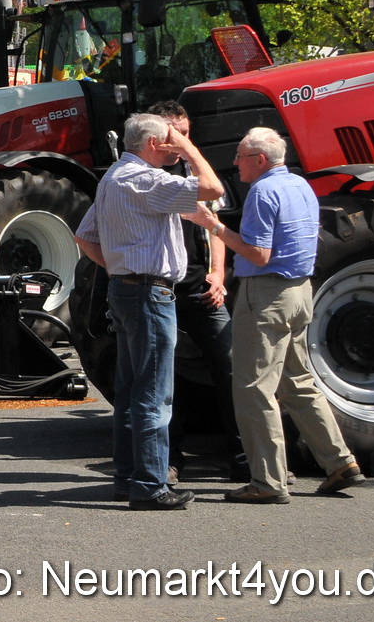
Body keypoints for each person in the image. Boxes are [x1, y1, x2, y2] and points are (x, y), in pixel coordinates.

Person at [199, 127, 363, 504]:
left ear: (259, 159)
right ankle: (340, 462)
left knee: (254, 389)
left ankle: (268, 482)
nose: (235, 162)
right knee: (298, 381)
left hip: (267, 295)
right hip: (300, 292)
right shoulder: (300, 186)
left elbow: (259, 255)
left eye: (240, 156)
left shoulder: (262, 191)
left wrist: (215, 227)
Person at [73, 112, 224, 510]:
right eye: (170, 140)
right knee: (155, 392)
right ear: (155, 144)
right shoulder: (146, 179)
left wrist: (122, 267)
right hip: (149, 293)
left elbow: (85, 237)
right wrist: (190, 148)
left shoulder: (113, 178)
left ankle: (128, 477)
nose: (176, 146)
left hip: (127, 290)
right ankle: (151, 483)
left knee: (131, 389)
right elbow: (211, 187)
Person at [146, 100, 248, 482]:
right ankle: (170, 459)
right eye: (180, 135)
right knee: (163, 377)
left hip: (200, 288)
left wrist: (219, 274)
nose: (187, 142)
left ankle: (241, 454)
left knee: (231, 364)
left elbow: (213, 226)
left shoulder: (196, 171)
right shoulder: (148, 174)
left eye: (189, 134)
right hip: (161, 288)